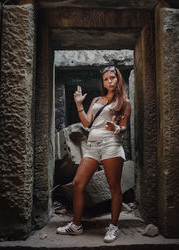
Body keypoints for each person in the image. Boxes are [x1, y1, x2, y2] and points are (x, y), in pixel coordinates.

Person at [56, 66, 131, 243]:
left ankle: (113, 227)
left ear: (117, 79)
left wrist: (117, 128)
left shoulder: (124, 102)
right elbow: (87, 122)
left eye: (112, 77)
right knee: (77, 183)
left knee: (114, 188)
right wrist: (79, 105)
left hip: (111, 145)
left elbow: (124, 127)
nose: (109, 81)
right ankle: (76, 225)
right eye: (106, 79)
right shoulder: (97, 99)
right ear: (103, 82)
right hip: (91, 146)